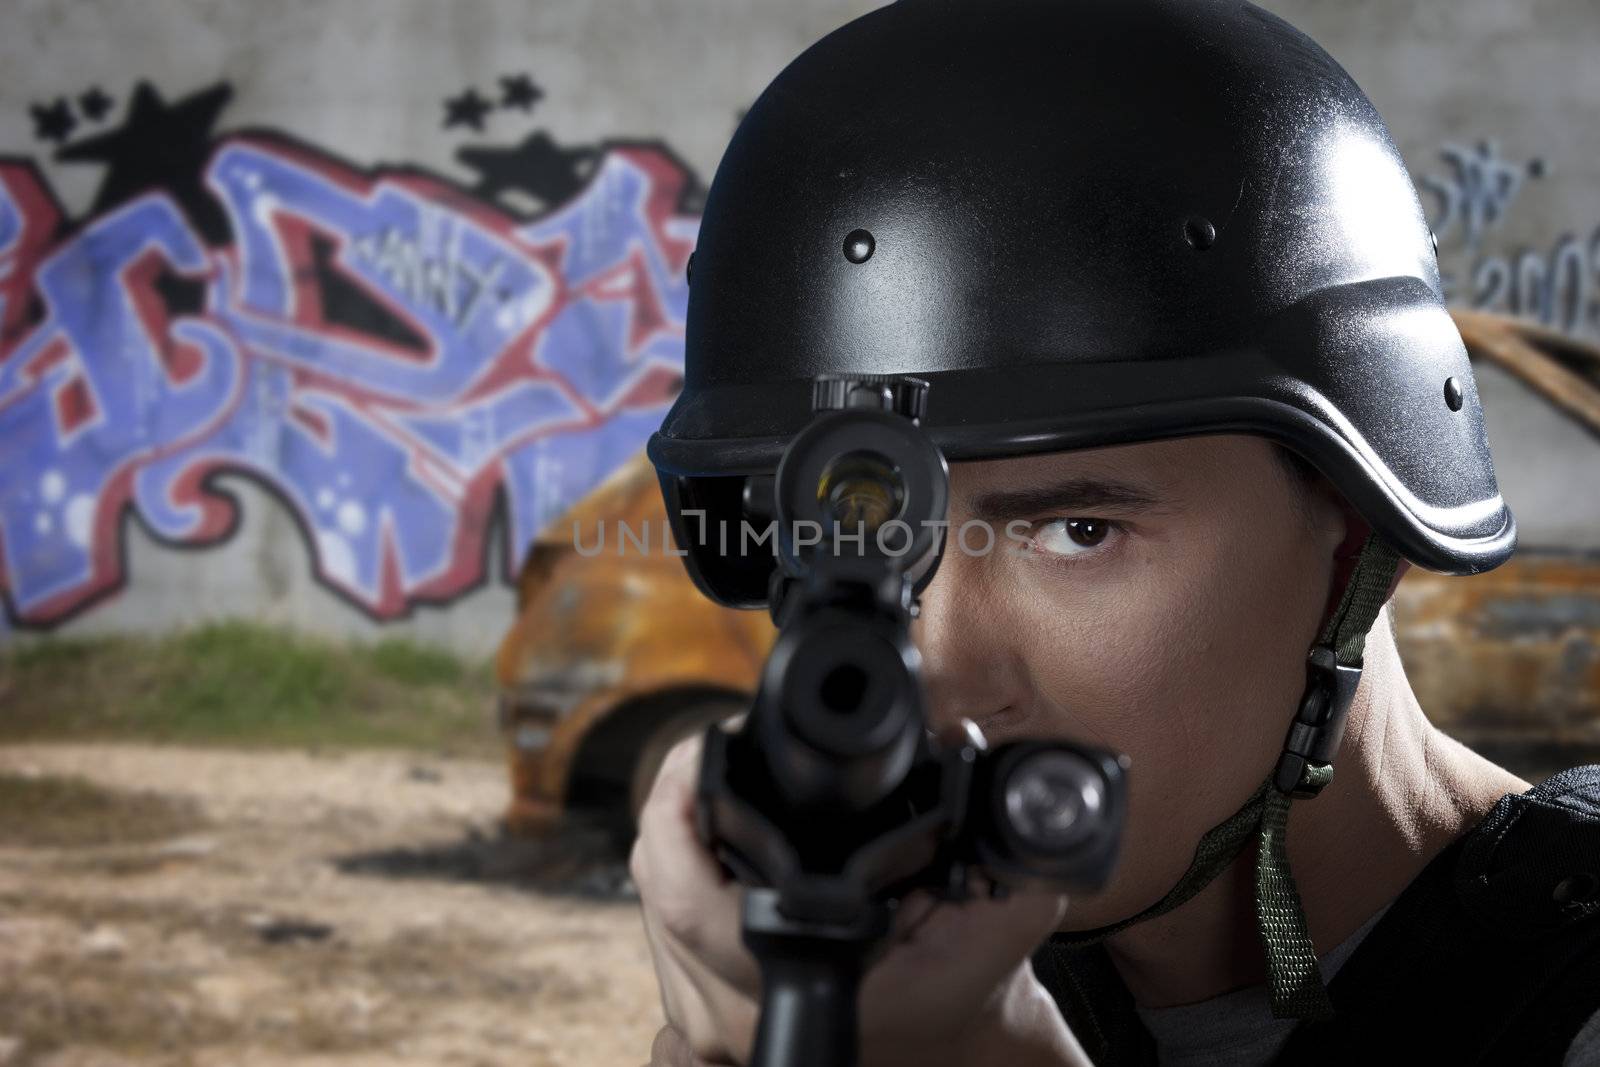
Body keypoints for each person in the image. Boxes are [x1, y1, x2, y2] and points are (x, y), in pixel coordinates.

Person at [632, 1, 1600, 1064]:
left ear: (1363, 522)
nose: (939, 680)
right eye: (855, 543)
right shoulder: (927, 982)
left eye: (1077, 530)